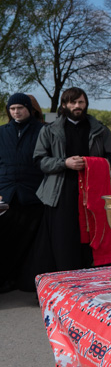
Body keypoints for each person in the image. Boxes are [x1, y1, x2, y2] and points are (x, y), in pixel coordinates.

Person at [34, 87, 111, 273]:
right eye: (72, 102)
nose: (77, 106)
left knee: (91, 236)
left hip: (93, 192)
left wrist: (91, 164)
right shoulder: (49, 131)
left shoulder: (100, 130)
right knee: (64, 238)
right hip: (61, 192)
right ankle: (64, 280)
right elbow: (40, 161)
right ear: (64, 105)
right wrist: (64, 163)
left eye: (81, 102)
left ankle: (92, 278)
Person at [0, 93, 45, 293]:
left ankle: (24, 281)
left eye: (20, 107)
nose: (16, 111)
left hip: (33, 194)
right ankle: (6, 279)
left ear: (30, 108)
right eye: (12, 108)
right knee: (7, 239)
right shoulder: (2, 132)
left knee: (29, 241)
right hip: (7, 194)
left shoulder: (43, 131)